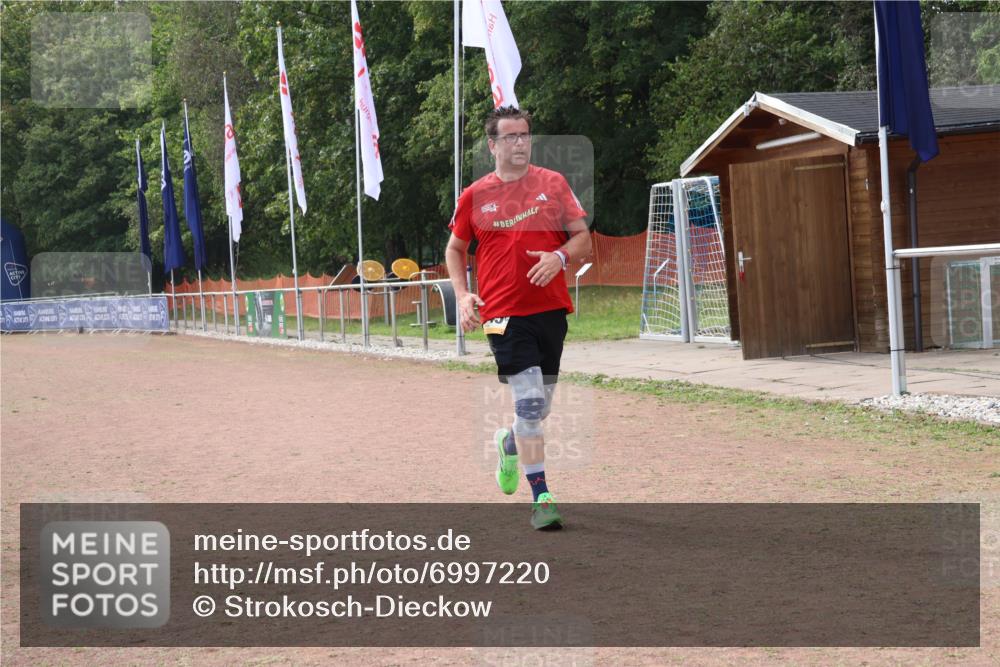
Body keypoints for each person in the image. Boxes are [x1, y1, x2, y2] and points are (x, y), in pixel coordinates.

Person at [445, 106, 591, 530]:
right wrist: (462, 295)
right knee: (528, 404)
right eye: (510, 137)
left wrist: (560, 255)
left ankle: (509, 443)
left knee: (538, 410)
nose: (520, 143)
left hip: (550, 311)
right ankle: (541, 496)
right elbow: (455, 250)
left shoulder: (554, 184)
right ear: (492, 145)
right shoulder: (475, 195)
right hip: (502, 315)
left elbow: (582, 237)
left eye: (525, 135)